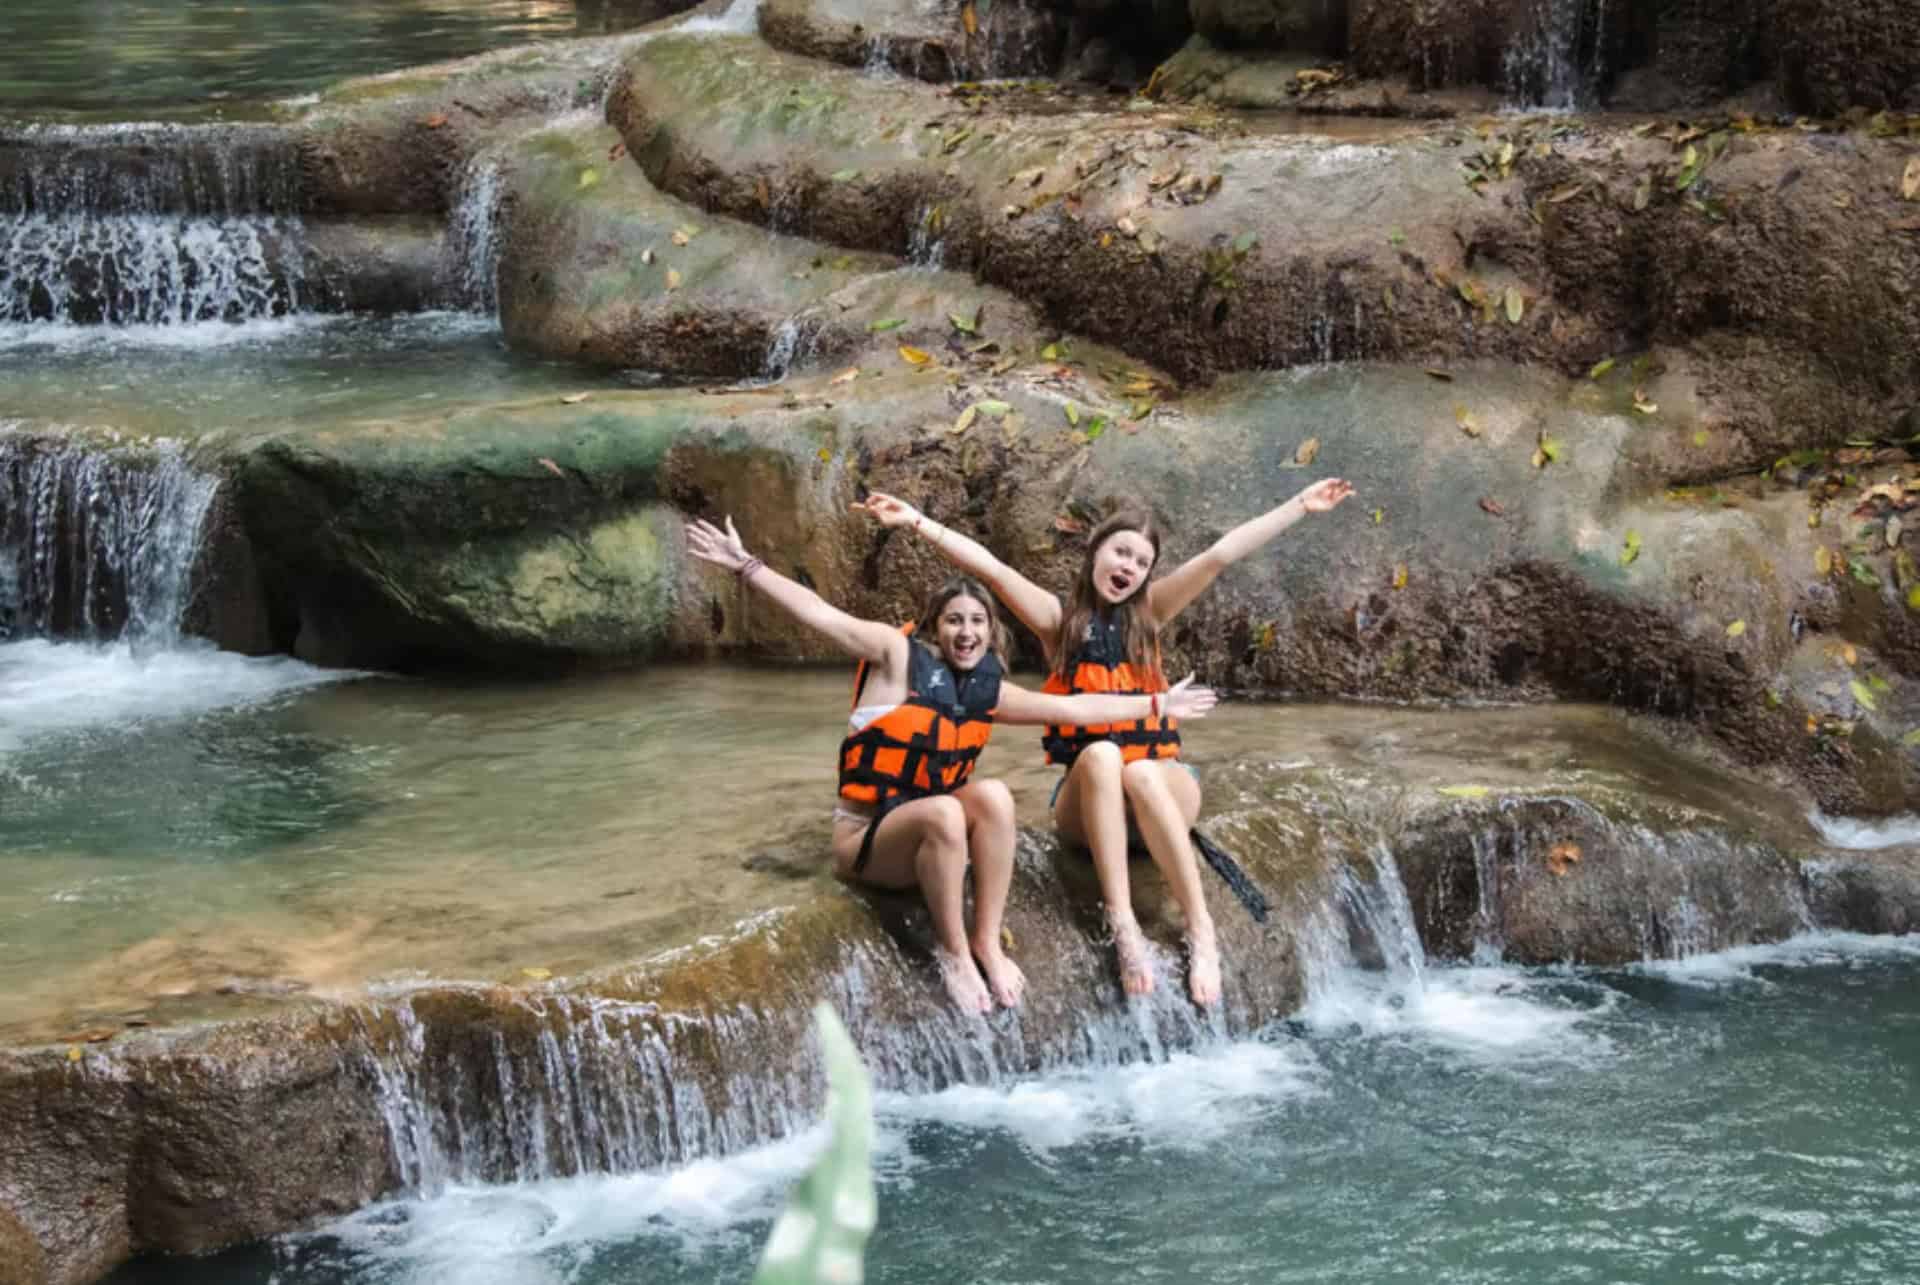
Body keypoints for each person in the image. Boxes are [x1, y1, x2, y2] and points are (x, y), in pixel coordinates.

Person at [683, 515, 1220, 1015]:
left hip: (932, 831)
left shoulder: (985, 690)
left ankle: (987, 941)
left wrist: (1158, 704)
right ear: (934, 628)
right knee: (943, 811)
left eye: (978, 623)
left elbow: (1074, 708)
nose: (966, 632)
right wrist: (746, 566)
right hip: (868, 839)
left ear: (991, 635)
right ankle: (955, 952)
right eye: (954, 621)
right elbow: (821, 614)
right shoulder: (893, 657)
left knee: (994, 796)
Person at [855, 480, 1354, 1006]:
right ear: (1095, 552)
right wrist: (916, 522)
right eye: (1120, 552)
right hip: (1089, 802)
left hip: (1162, 789)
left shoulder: (1152, 613)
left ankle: (1200, 927)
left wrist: (1299, 505)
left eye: (1141, 561)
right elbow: (991, 571)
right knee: (1101, 754)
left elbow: (1221, 554)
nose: (1129, 566)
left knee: (1138, 771)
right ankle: (1124, 927)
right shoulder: (1058, 623)